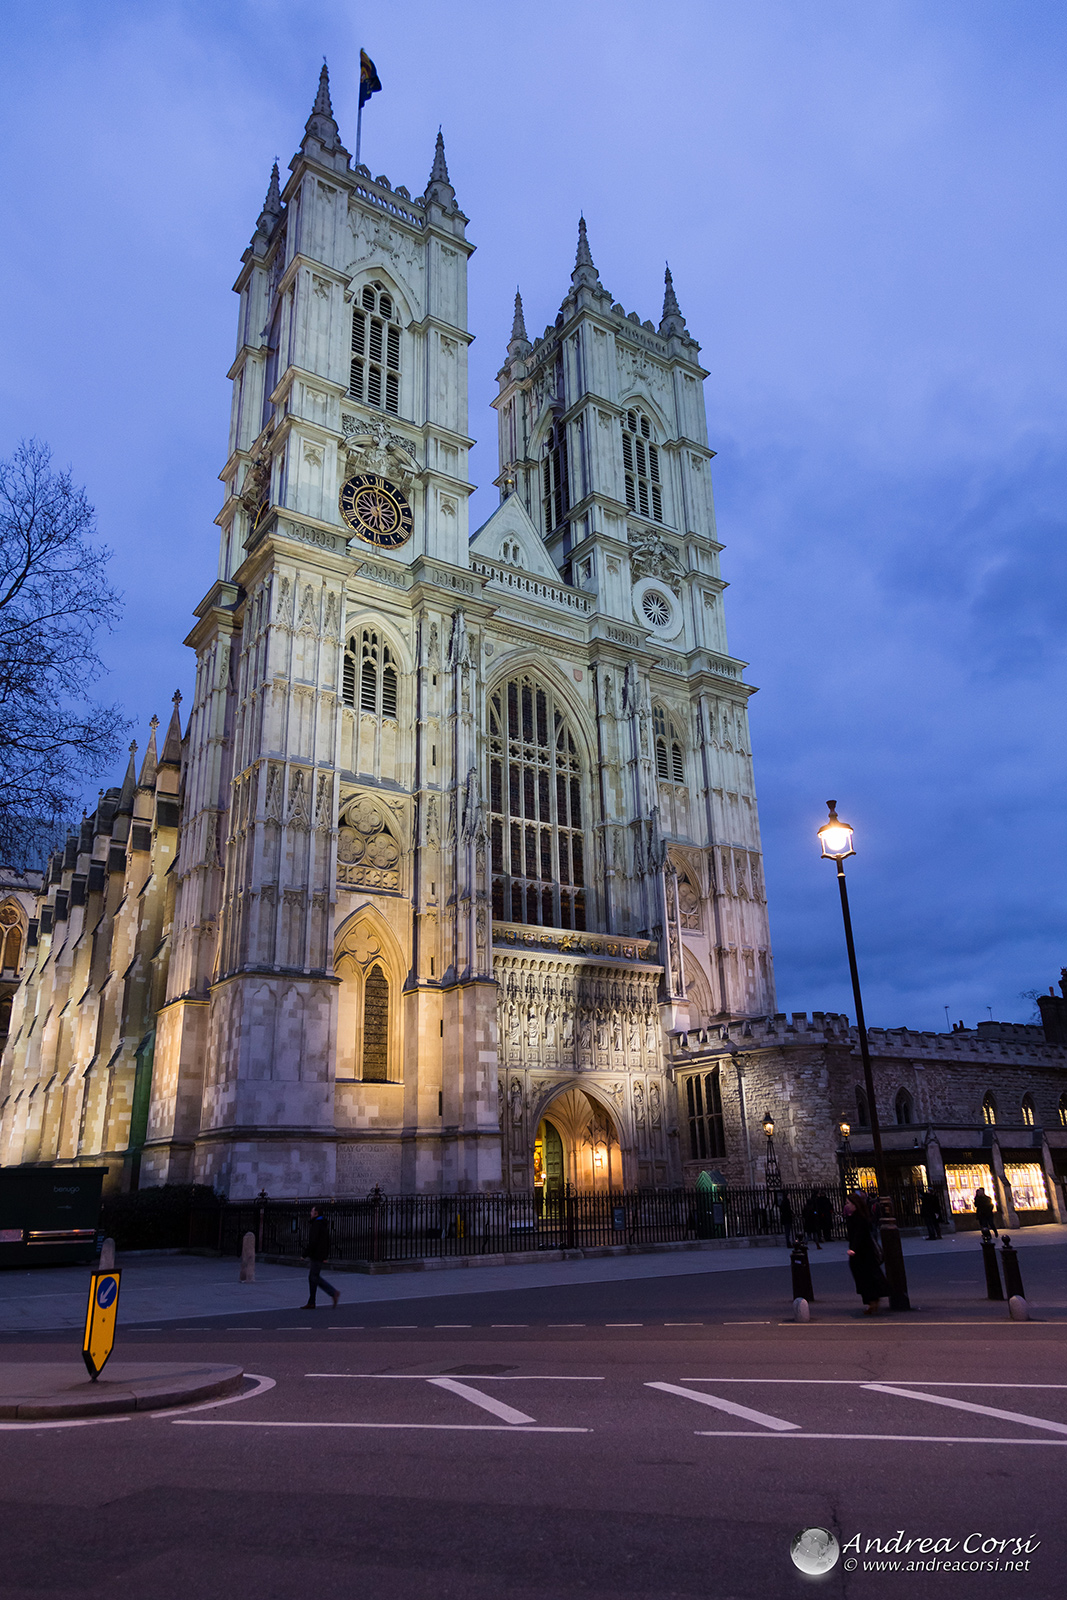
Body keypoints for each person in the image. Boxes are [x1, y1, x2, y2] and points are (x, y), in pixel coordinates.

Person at [844, 1191, 889, 1315]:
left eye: (848, 1203)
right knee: (865, 1277)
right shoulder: (853, 1216)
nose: (846, 1205)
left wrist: (853, 1249)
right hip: (860, 1252)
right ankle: (871, 1300)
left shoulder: (859, 1218)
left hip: (863, 1253)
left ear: (855, 1204)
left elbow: (859, 1234)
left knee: (866, 1277)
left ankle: (872, 1301)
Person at [302, 1204, 340, 1309]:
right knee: (313, 1277)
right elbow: (326, 1241)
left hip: (316, 1254)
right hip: (319, 1254)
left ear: (316, 1213)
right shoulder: (322, 1224)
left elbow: (313, 1242)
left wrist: (304, 1254)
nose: (310, 1213)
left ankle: (333, 1292)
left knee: (314, 1277)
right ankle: (312, 1301)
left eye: (312, 1212)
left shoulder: (317, 1224)